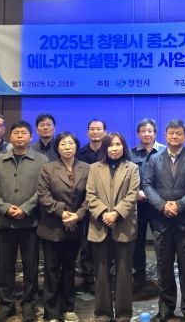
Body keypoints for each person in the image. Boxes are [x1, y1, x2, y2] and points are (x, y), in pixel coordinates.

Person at [0, 120, 49, 322]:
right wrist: (6, 208)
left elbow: (44, 189)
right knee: (5, 265)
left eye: (24, 133)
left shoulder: (42, 161)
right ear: (10, 136)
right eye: (16, 132)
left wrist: (26, 209)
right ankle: (7, 303)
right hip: (4, 222)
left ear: (31, 137)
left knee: (31, 265)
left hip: (30, 223)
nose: (20, 136)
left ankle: (29, 303)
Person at [144, 120, 185, 322]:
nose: (174, 136)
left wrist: (178, 205)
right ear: (165, 135)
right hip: (161, 222)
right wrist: (162, 205)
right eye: (171, 133)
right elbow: (147, 185)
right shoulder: (154, 159)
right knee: (163, 267)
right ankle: (166, 308)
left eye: (178, 133)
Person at [85, 133, 139, 322]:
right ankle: (103, 313)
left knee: (124, 273)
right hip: (99, 226)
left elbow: (132, 195)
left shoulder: (132, 168)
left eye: (118, 144)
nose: (114, 148)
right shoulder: (94, 168)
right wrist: (103, 214)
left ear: (123, 147)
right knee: (100, 273)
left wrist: (115, 213)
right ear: (104, 148)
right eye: (110, 145)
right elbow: (90, 195)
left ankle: (123, 314)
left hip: (124, 225)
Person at [37, 132, 90, 322]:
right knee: (51, 269)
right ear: (57, 148)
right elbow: (43, 196)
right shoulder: (48, 168)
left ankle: (68, 307)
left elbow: (90, 196)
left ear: (76, 146)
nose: (67, 147)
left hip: (75, 227)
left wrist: (78, 215)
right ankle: (51, 311)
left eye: (71, 144)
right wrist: (64, 213)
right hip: (52, 227)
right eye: (63, 144)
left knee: (69, 269)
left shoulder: (86, 168)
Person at [129, 118, 165, 292]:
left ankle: (163, 276)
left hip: (159, 206)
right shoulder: (131, 154)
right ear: (138, 134)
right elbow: (126, 177)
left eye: (150, 131)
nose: (146, 134)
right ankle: (139, 277)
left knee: (162, 242)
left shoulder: (165, 151)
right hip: (138, 205)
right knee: (137, 242)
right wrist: (136, 192)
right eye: (143, 131)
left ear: (155, 133)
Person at [76, 118, 108, 293]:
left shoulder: (110, 151)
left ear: (105, 132)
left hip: (107, 206)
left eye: (99, 129)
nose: (95, 132)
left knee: (107, 244)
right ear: (87, 132)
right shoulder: (79, 153)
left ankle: (107, 280)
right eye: (92, 129)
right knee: (86, 245)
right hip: (85, 204)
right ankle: (89, 280)